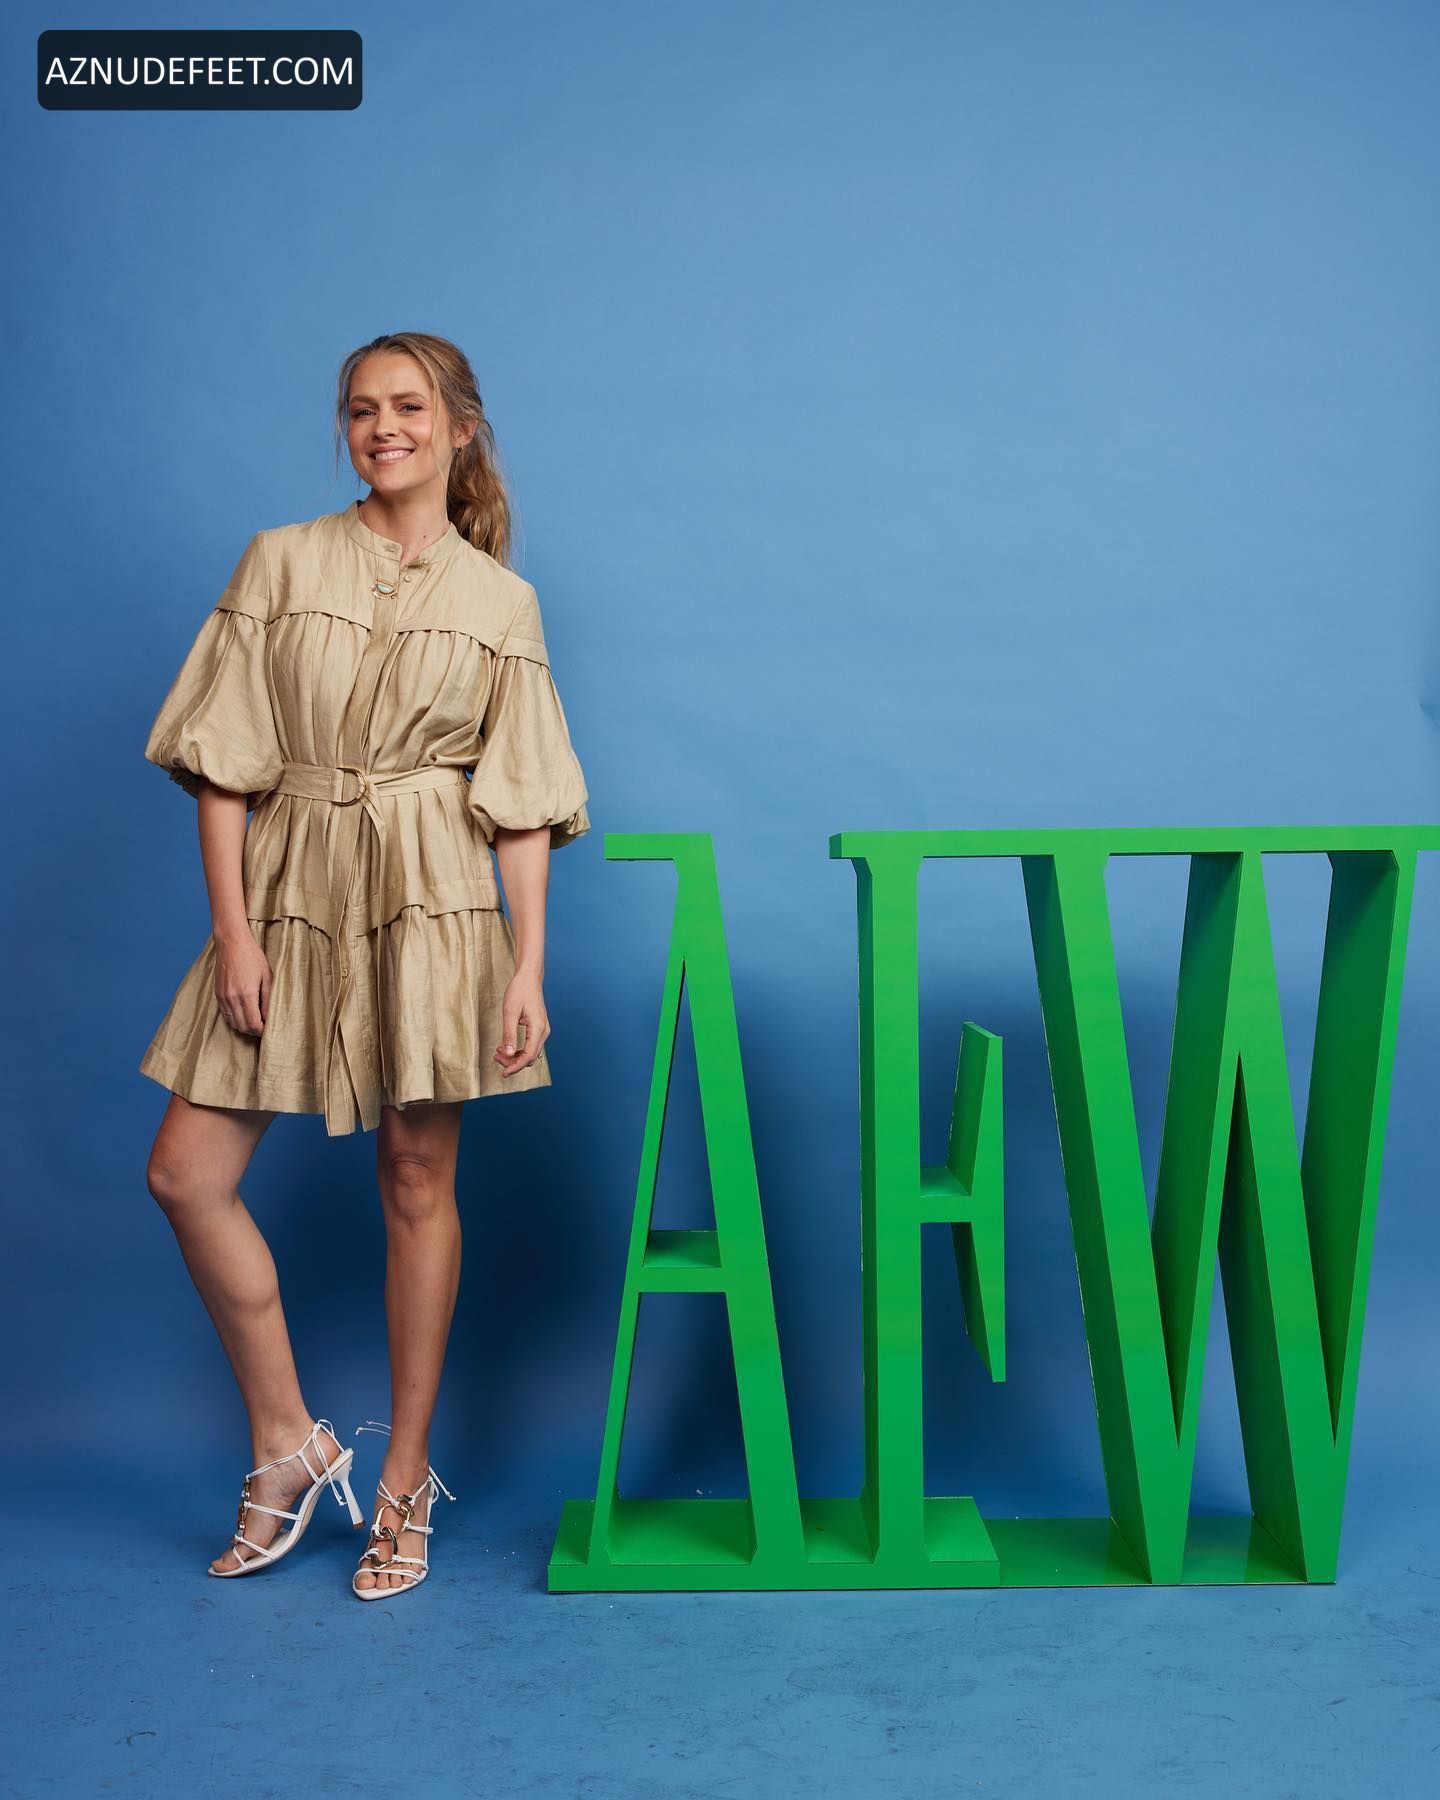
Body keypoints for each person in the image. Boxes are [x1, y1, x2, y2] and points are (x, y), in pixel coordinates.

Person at [139, 331, 591, 1599]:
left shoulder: (501, 603)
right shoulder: (280, 560)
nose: (381, 427)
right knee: (186, 1174)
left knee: (415, 1177)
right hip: (288, 893)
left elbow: (521, 806)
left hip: (435, 900)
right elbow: (224, 767)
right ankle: (288, 1440)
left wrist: (527, 967)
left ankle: (404, 1481)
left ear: (459, 427)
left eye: (407, 406)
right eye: (358, 409)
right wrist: (235, 930)